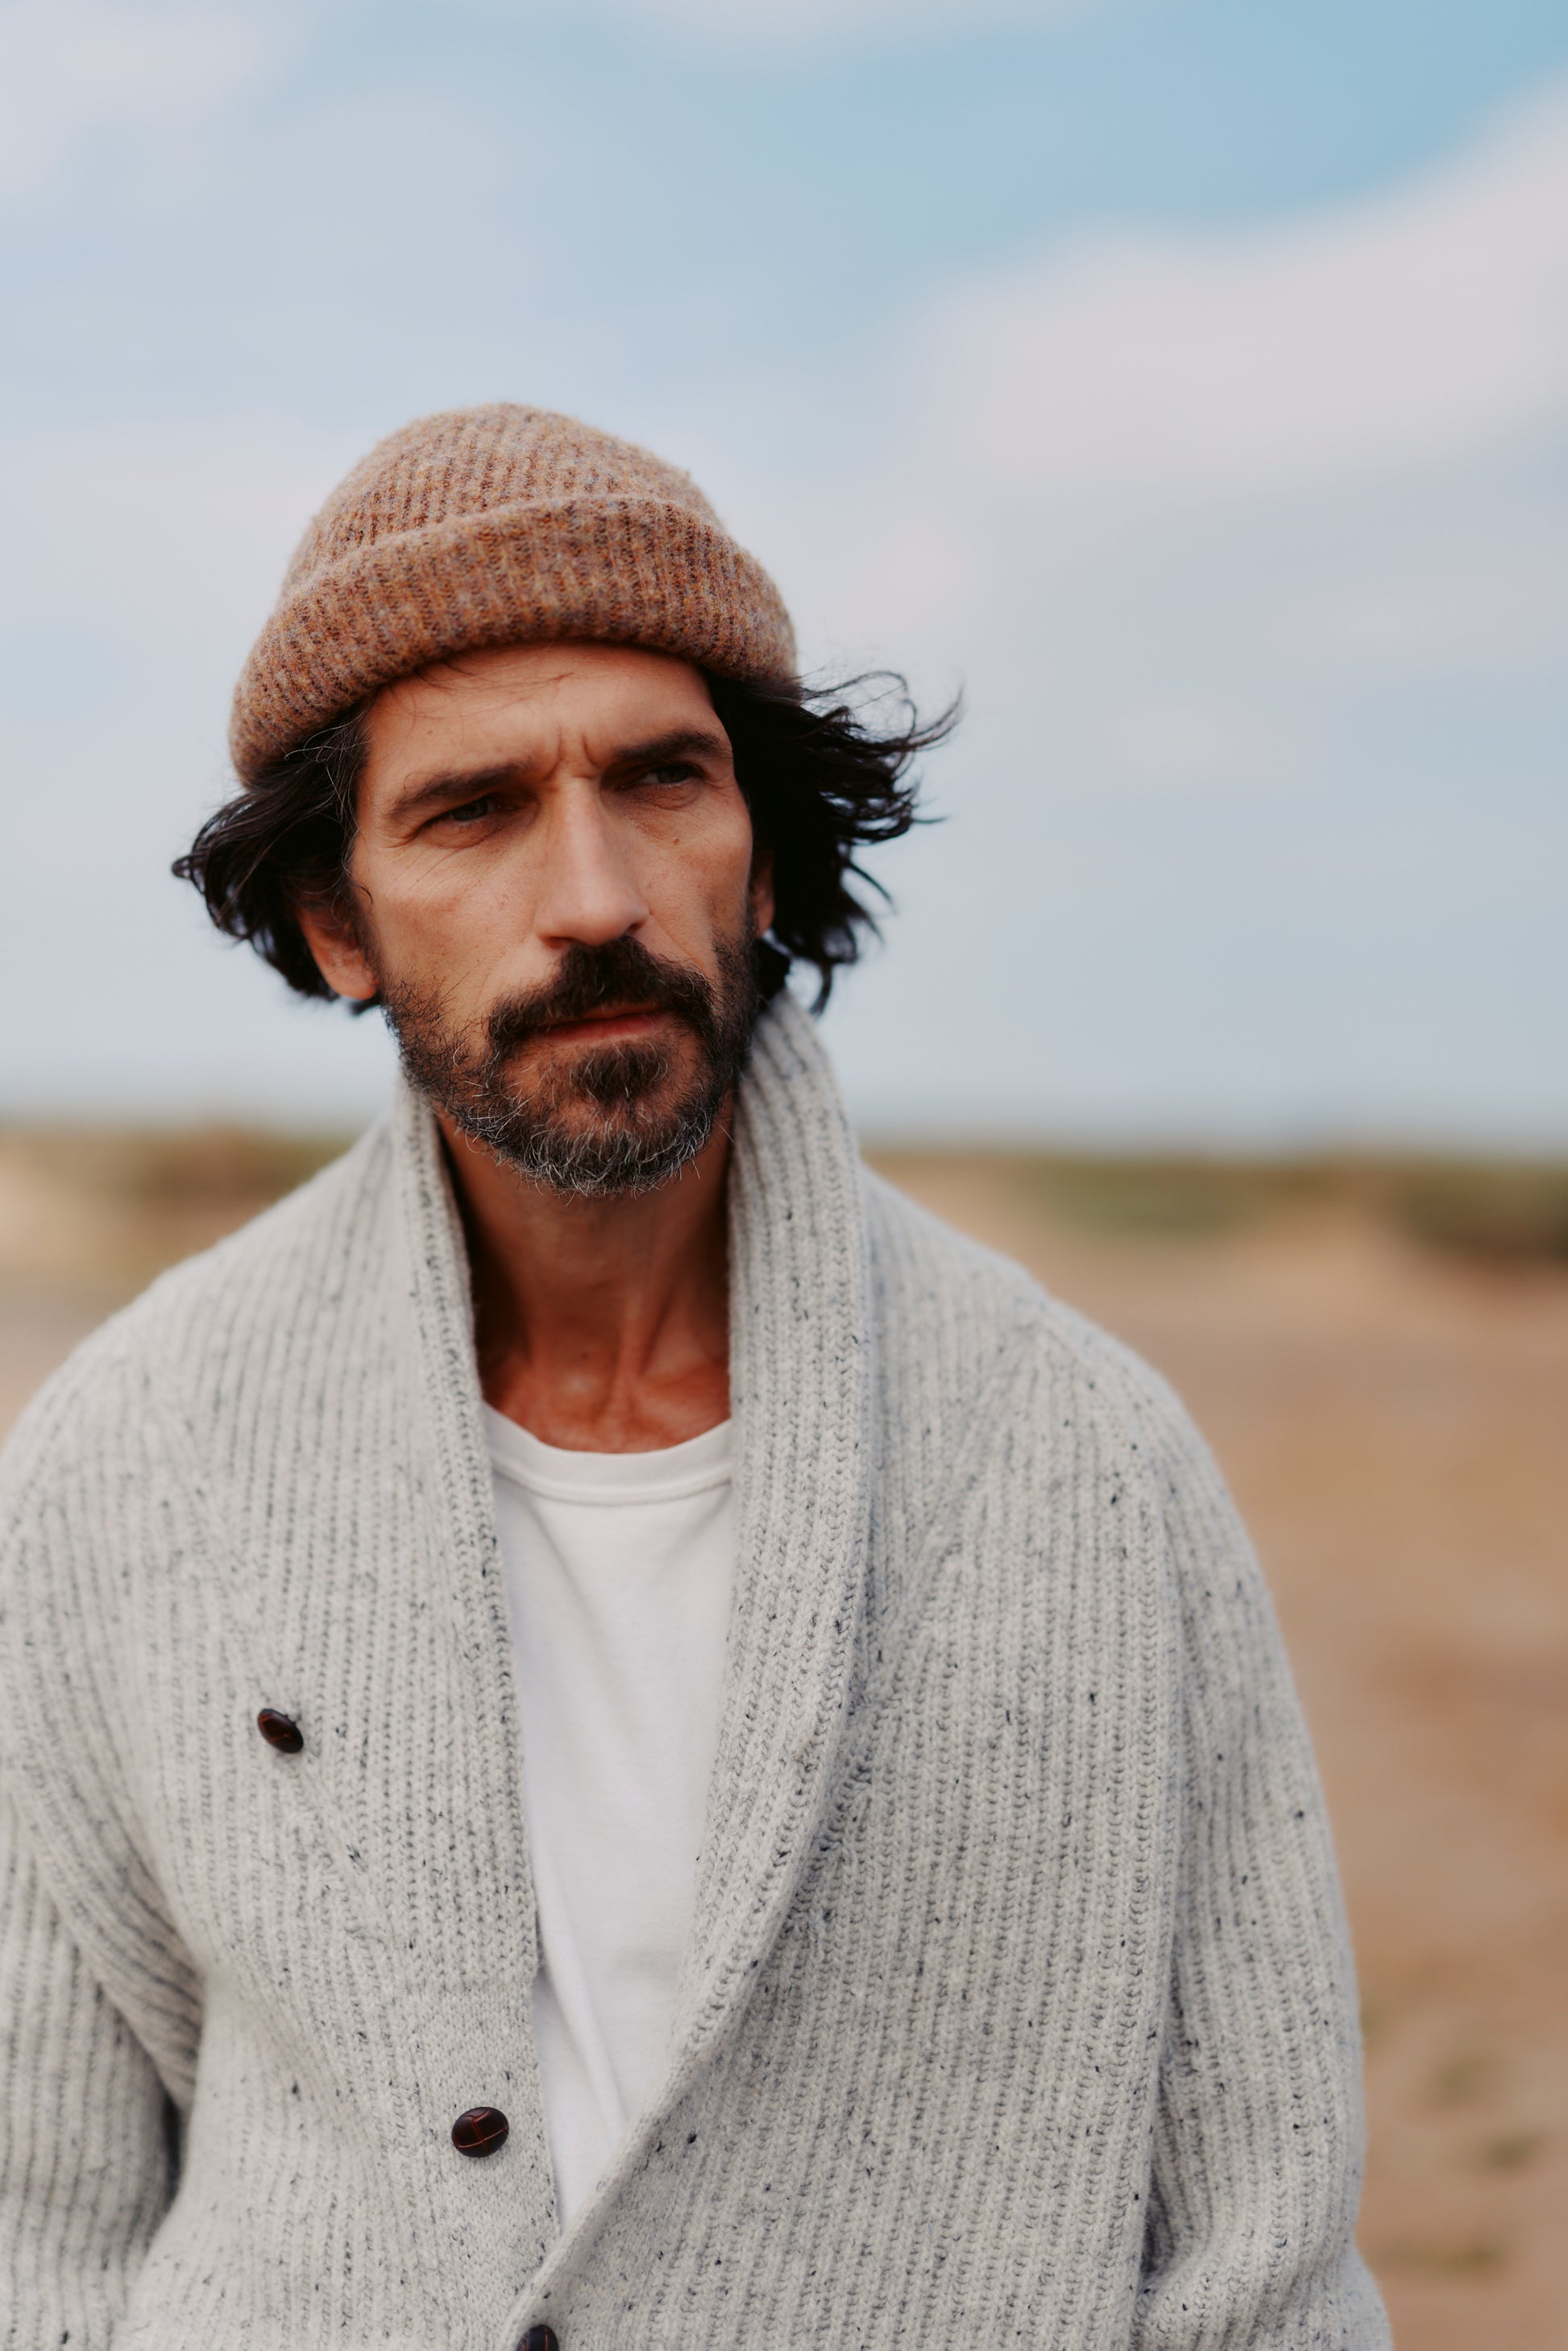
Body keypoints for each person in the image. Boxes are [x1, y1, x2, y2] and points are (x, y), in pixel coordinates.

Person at [0, 404, 1389, 2349]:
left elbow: (1264, 2269)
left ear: (759, 854)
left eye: (663, 780)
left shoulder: (1087, 1470)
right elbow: (36, 2234)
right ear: (335, 923)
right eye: (470, 811)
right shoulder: (127, 1467)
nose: (593, 896)